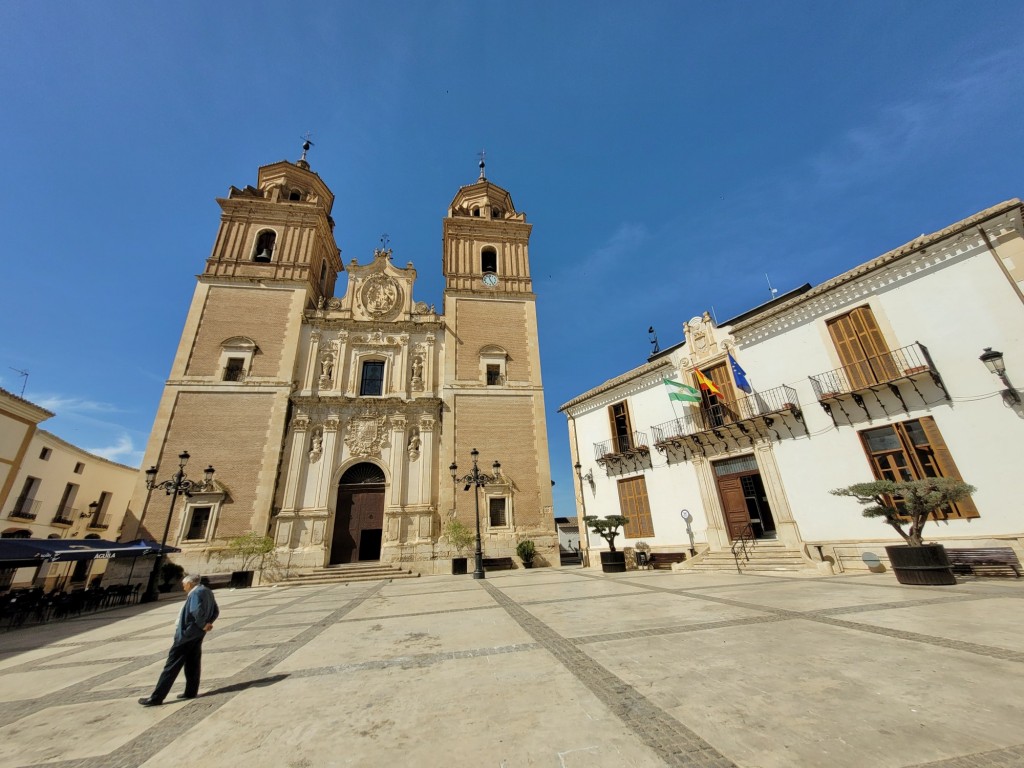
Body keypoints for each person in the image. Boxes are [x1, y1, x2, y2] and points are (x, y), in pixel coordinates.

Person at [138, 573, 219, 706]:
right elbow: (216, 610)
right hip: (198, 633)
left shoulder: (195, 593)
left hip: (186, 634)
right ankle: (191, 691)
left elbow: (195, 611)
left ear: (190, 583)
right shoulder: (207, 591)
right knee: (192, 663)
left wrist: (203, 623)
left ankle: (157, 697)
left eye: (184, 584)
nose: (183, 587)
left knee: (171, 666)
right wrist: (208, 623)